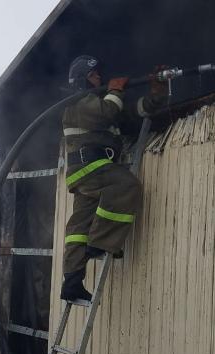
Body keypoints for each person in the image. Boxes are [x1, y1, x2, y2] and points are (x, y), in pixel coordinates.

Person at [60, 55, 168, 302]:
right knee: (126, 186)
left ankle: (72, 282)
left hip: (88, 173)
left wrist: (156, 95)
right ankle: (100, 243)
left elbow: (134, 112)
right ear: (83, 80)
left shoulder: (99, 104)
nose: (100, 77)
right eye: (95, 74)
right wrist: (116, 90)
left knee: (78, 229)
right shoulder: (77, 104)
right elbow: (106, 112)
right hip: (91, 167)